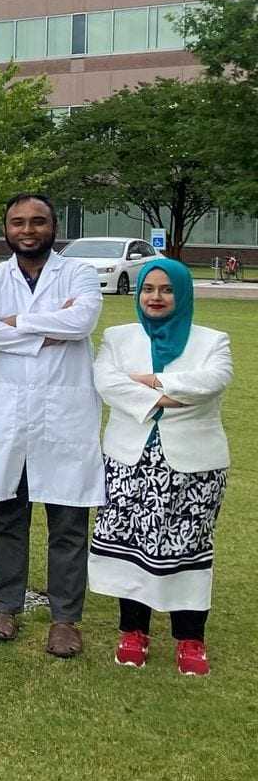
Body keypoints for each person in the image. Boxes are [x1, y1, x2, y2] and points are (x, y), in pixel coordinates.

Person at [0, 194, 104, 657]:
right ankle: (6, 607)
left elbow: (82, 321)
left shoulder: (79, 273)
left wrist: (17, 323)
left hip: (65, 414)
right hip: (11, 414)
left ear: (53, 226)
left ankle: (66, 619)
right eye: (18, 222)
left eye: (38, 221)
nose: (28, 230)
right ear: (5, 228)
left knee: (67, 521)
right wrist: (47, 331)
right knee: (8, 516)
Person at [89, 259, 232, 675]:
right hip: (127, 459)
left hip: (195, 464)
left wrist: (148, 382)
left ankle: (190, 638)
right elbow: (107, 384)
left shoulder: (213, 341)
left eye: (167, 290)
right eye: (148, 289)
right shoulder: (117, 337)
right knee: (131, 546)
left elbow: (211, 383)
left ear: (183, 294)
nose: (155, 297)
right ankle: (133, 631)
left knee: (188, 547)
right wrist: (168, 392)